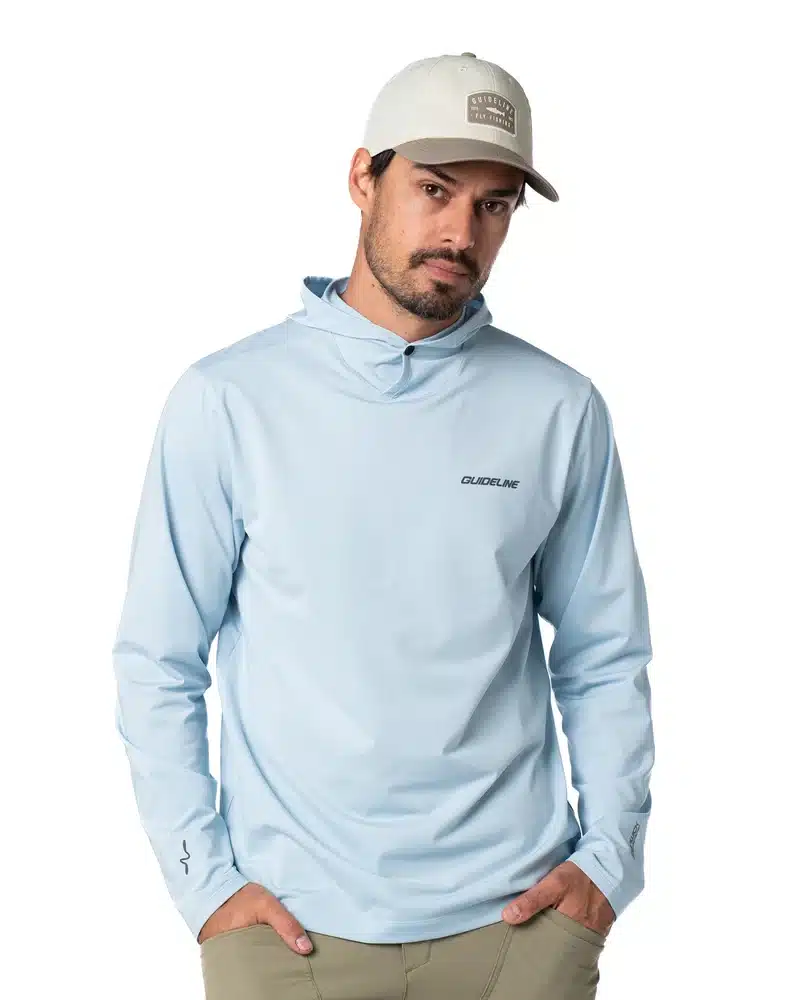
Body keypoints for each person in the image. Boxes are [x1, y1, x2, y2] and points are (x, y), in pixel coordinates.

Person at [111, 52, 654, 1000]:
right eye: (434, 190)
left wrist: (609, 862)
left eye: (494, 204)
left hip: (519, 928)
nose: (460, 232)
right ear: (364, 177)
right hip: (288, 932)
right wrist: (204, 884)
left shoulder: (558, 408)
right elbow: (157, 661)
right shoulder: (229, 400)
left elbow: (605, 654)